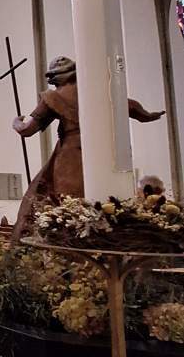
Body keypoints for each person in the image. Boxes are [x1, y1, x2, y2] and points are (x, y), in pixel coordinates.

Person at [12, 56, 164, 238]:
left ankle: (68, 243)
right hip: (101, 151)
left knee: (63, 202)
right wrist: (148, 115)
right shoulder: (95, 90)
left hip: (70, 156)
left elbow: (27, 130)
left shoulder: (53, 97)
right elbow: (130, 106)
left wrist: (16, 122)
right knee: (105, 201)